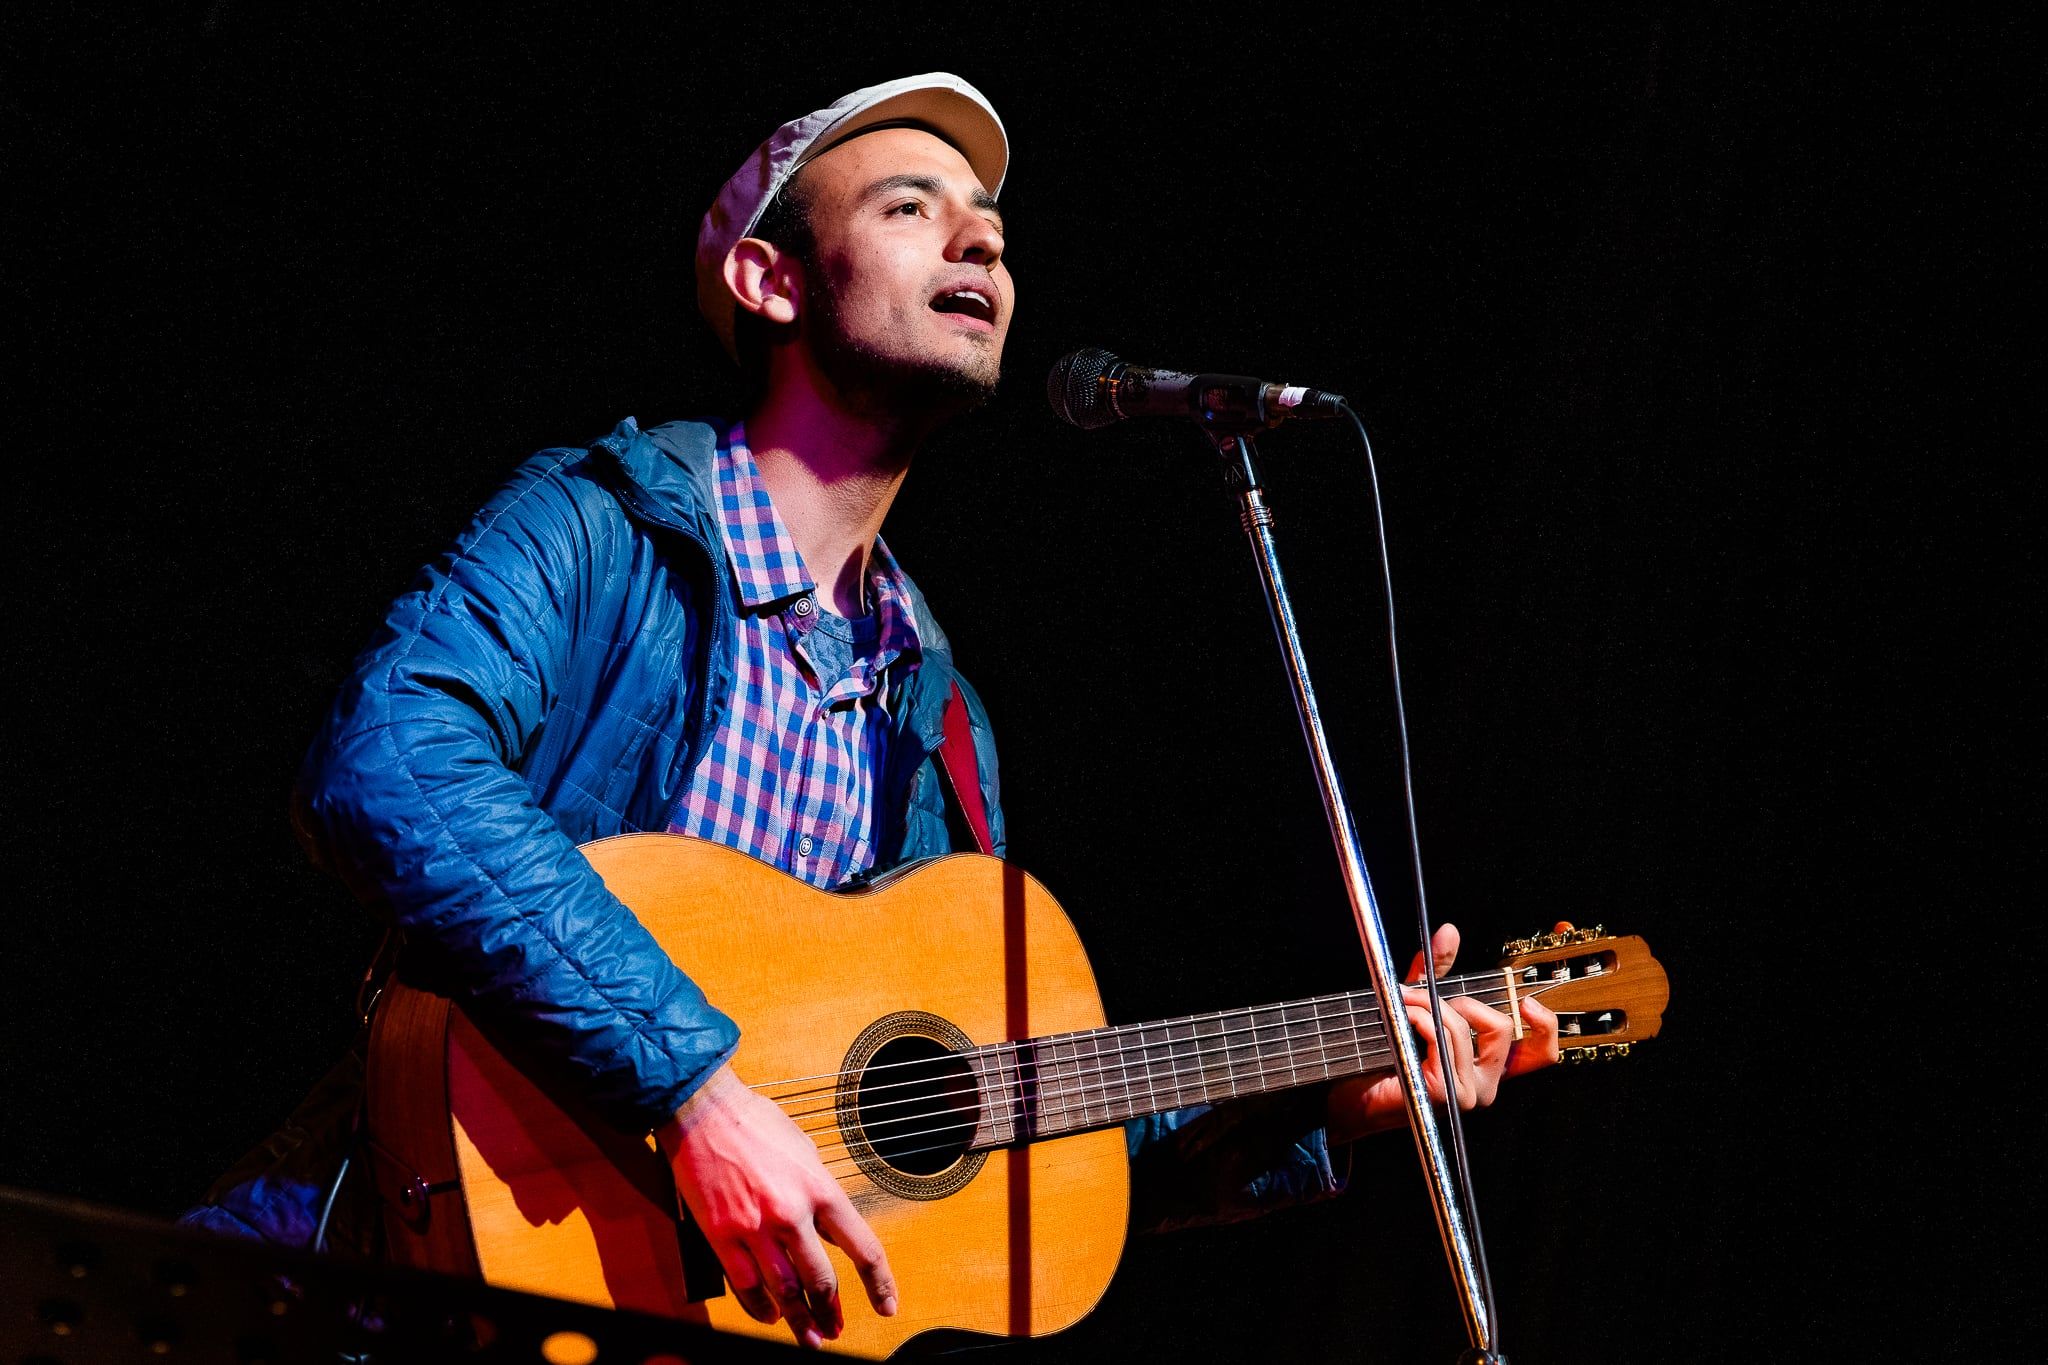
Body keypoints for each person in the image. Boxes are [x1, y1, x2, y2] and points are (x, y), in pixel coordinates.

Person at [184, 73, 1560, 1351]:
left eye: (993, 229)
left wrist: (1328, 1093)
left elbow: (981, 1136)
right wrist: (695, 1093)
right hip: (379, 1284)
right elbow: (389, 761)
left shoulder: (939, 716)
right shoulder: (606, 528)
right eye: (913, 209)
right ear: (769, 277)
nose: (981, 247)